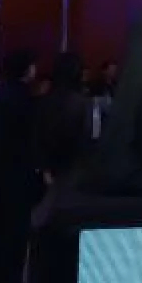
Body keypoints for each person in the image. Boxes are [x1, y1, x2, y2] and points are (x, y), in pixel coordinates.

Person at [0, 49, 40, 283]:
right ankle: (12, 278)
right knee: (18, 226)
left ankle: (0, 273)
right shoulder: (25, 98)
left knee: (1, 222)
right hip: (19, 168)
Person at [35, 52, 93, 188]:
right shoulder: (82, 102)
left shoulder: (44, 100)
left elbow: (38, 135)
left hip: (50, 166)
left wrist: (44, 168)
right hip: (74, 167)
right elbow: (87, 135)